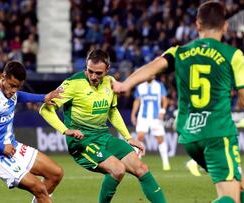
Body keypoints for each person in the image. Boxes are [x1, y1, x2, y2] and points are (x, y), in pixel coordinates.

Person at [112, 1, 244, 203]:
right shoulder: (232, 55)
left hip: (189, 135)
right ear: (225, 25)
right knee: (230, 197)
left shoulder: (180, 52)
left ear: (198, 24)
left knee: (243, 184)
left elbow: (152, 67)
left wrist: (125, 84)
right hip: (217, 133)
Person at [40, 49, 166, 203]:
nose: (93, 76)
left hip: (103, 137)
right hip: (82, 142)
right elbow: (45, 110)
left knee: (142, 169)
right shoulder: (72, 84)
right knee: (117, 169)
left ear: (107, 70)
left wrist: (128, 137)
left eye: (98, 73)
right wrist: (66, 130)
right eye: (90, 71)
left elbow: (112, 111)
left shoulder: (110, 82)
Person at [0, 61, 83, 203]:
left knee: (56, 173)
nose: (14, 91)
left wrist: (43, 97)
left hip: (13, 148)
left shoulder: (11, 92)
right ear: (3, 77)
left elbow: (20, 96)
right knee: (41, 190)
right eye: (12, 85)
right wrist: (1, 147)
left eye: (17, 87)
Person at [131, 76, 171, 171]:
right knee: (140, 137)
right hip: (143, 116)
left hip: (155, 117)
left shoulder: (159, 85)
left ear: (154, 75)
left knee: (160, 138)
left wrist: (163, 111)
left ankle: (166, 163)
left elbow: (165, 99)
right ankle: (137, 162)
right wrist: (133, 114)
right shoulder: (140, 86)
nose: (150, 75)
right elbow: (137, 100)